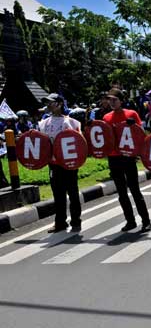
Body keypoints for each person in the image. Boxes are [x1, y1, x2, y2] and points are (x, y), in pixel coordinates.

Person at [103, 88, 151, 232]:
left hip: (128, 157)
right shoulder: (106, 117)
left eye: (114, 100)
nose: (111, 102)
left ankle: (146, 221)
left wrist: (134, 126)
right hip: (114, 158)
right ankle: (130, 221)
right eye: (109, 99)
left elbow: (140, 134)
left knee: (135, 190)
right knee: (122, 193)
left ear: (121, 100)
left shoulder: (131, 114)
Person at [38, 93, 82, 233]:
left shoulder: (71, 122)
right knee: (58, 194)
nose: (49, 105)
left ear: (59, 104)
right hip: (54, 164)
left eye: (51, 102)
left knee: (72, 192)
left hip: (69, 164)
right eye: (48, 103)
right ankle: (60, 222)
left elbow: (78, 143)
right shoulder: (44, 123)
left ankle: (76, 220)